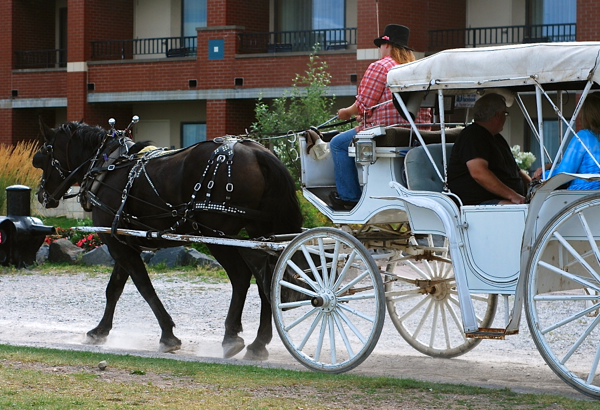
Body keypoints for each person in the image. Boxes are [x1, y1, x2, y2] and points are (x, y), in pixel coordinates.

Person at [329, 24, 431, 210]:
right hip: (417, 134)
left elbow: (363, 104)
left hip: (385, 133)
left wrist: (346, 113)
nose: (379, 50)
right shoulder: (416, 68)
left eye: (380, 45)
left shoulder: (381, 66)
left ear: (387, 45)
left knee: (337, 144)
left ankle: (349, 197)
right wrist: (364, 115)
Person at [447, 93, 531, 205]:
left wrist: (534, 187)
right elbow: (478, 172)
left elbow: (517, 171)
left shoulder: (496, 137)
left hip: (506, 198)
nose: (505, 117)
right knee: (523, 213)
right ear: (497, 115)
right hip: (479, 202)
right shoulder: (472, 136)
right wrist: (512, 195)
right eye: (505, 113)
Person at [532, 93, 600, 190]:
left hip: (582, 194)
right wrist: (551, 166)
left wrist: (542, 175)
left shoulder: (584, 136)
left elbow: (564, 174)